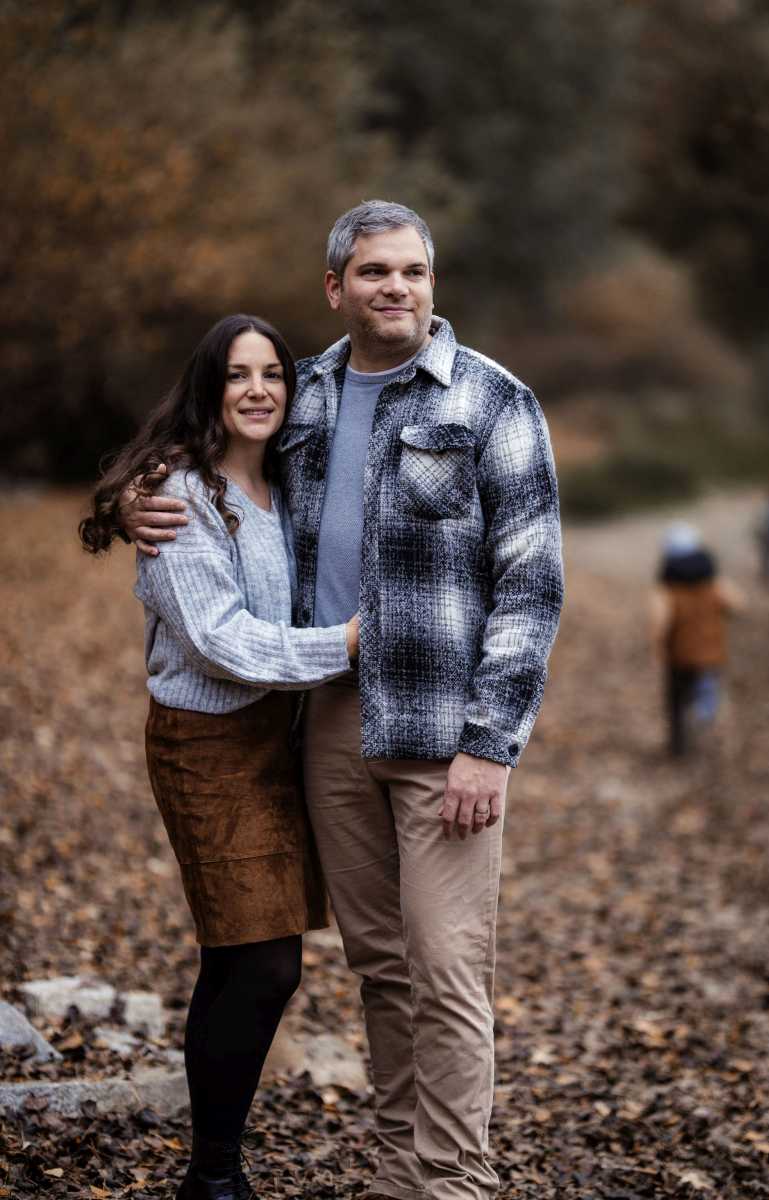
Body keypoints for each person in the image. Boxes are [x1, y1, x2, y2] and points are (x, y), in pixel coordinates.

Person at [119, 201, 564, 1200]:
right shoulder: (302, 394)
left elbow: (531, 588)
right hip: (325, 725)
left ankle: (451, 1183)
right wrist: (126, 500)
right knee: (380, 967)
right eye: (372, 272)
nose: (393, 288)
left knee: (446, 969)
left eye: (411, 271)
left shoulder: (491, 402)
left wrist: (491, 746)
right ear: (336, 286)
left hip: (441, 731)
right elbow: (205, 468)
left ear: (431, 283)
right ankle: (401, 1170)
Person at [80, 314, 359, 1200]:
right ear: (209, 386)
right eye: (237, 374)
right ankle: (215, 1175)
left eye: (272, 373)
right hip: (206, 741)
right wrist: (348, 645)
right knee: (265, 961)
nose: (258, 390)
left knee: (243, 958)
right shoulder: (178, 495)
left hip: (279, 736)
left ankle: (214, 1167)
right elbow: (219, 641)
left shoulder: (289, 481)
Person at [650, 523, 744, 758]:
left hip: (680, 658)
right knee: (709, 693)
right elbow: (740, 605)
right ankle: (708, 728)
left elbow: (659, 624)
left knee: (676, 703)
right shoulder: (714, 585)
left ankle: (679, 746)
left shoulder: (667, 590)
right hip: (712, 656)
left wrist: (658, 648)